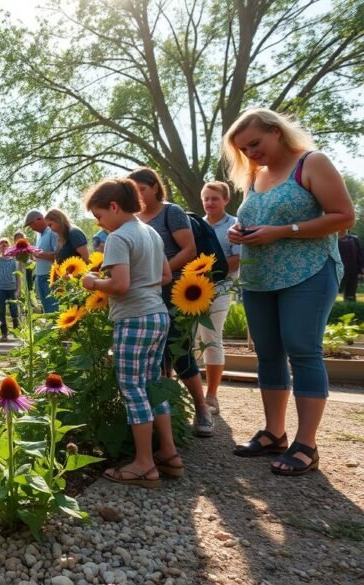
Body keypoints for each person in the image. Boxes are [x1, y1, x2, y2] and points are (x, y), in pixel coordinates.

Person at [225, 108, 353, 476]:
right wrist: (239, 231)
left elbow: (344, 216)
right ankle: (274, 433)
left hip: (308, 272)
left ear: (277, 132)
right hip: (260, 277)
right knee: (267, 354)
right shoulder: (254, 175)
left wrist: (283, 231)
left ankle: (307, 445)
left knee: (303, 350)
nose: (250, 153)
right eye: (243, 149)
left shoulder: (312, 163)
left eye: (255, 143)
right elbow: (256, 218)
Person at [82, 178, 178, 489]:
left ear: (113, 206)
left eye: (99, 216)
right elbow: (165, 275)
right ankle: (168, 453)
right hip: (158, 316)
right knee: (152, 384)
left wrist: (94, 282)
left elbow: (120, 285)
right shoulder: (150, 232)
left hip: (134, 319)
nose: (99, 223)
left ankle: (144, 464)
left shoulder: (119, 237)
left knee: (132, 389)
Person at [130, 167, 213, 438]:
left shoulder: (171, 212)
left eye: (141, 189)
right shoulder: (133, 219)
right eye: (133, 190)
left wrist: (158, 273)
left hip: (177, 291)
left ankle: (202, 407)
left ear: (155, 186)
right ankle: (169, 410)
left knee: (180, 350)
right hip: (146, 294)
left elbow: (189, 249)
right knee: (156, 356)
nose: (138, 195)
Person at [196, 182, 242, 415]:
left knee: (212, 340)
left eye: (214, 198)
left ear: (226, 200)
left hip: (220, 289)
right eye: (206, 198)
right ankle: (191, 395)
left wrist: (210, 272)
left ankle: (212, 395)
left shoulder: (235, 225)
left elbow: (236, 259)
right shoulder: (196, 225)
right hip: (192, 290)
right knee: (189, 341)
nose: (210, 203)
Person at [23, 210, 59, 313]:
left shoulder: (52, 232)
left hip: (49, 277)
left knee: (53, 310)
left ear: (40, 219)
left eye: (31, 224)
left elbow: (58, 255)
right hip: (39, 278)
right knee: (46, 311)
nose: (32, 228)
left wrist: (38, 254)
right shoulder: (39, 236)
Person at [0, 238, 21, 341]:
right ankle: (4, 334)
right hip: (0, 289)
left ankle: (17, 332)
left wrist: (18, 290)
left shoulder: (14, 261)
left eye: (6, 244)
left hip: (12, 289)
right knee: (1, 312)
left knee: (14, 310)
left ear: (9, 246)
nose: (4, 245)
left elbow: (18, 276)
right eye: (1, 244)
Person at [337, 231, 363, 302]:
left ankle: (350, 307)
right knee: (336, 290)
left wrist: (361, 269)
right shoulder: (333, 240)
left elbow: (360, 255)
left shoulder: (354, 239)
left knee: (351, 293)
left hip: (353, 269)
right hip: (338, 270)